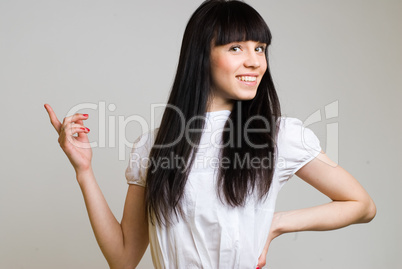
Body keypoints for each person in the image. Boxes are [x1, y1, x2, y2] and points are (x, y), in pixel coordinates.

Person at [44, 0, 376, 268]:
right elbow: (123, 258)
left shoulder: (278, 136)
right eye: (236, 48)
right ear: (203, 55)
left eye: (260, 48)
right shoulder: (154, 145)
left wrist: (276, 223)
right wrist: (84, 171)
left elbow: (361, 205)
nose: (255, 62)